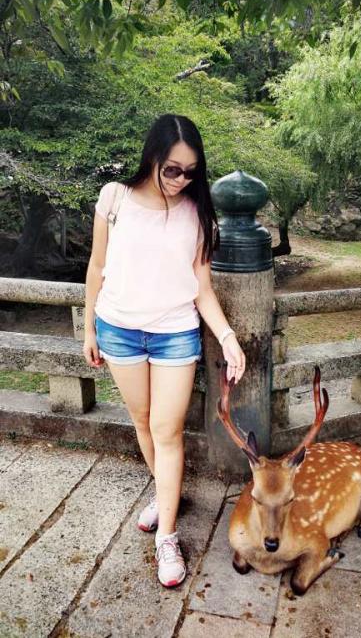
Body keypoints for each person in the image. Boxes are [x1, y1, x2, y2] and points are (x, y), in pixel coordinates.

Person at [83, 114, 246, 588]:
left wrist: (228, 336)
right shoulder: (114, 198)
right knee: (142, 421)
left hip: (174, 332)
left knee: (166, 430)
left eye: (191, 171)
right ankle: (166, 492)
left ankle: (167, 536)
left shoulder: (197, 213)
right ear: (151, 157)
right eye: (172, 169)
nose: (180, 180)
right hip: (118, 330)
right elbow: (96, 266)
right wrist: (89, 329)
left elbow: (202, 289)